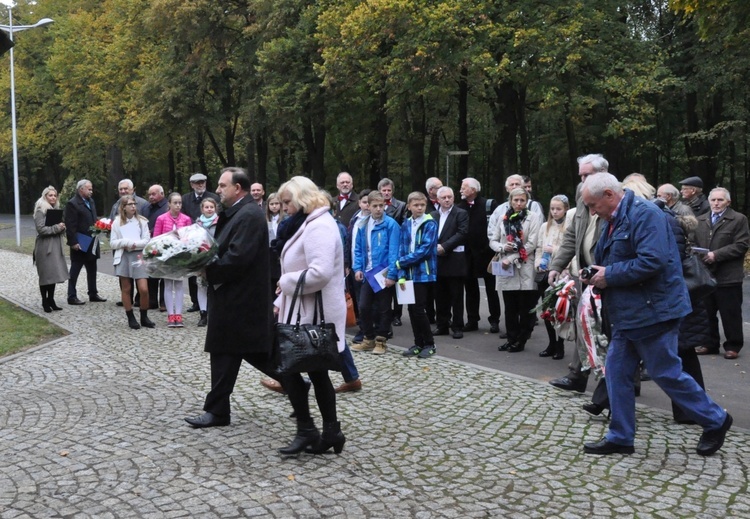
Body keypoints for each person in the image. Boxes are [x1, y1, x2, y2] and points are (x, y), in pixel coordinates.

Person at [580, 172, 732, 456]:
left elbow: (653, 261)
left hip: (654, 311)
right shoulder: (613, 219)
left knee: (666, 373)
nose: (591, 211)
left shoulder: (645, 214)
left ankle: (716, 420)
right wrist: (595, 273)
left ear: (609, 196)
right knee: (616, 373)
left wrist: (608, 275)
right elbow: (610, 259)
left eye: (593, 204)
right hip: (629, 312)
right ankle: (621, 436)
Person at [185, 167, 277, 429]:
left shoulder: (249, 215)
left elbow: (238, 258)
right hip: (230, 298)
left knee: (256, 354)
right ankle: (217, 411)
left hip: (241, 301)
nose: (218, 190)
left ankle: (296, 386)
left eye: (223, 186)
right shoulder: (238, 213)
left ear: (238, 188)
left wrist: (206, 268)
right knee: (225, 352)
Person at [273, 176, 347, 456]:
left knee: (293, 368)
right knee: (314, 372)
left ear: (303, 198)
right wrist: (282, 297)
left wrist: (286, 282)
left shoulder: (319, 226)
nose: (284, 207)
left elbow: (320, 272)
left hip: (312, 312)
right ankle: (328, 431)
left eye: (288, 201)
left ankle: (311, 430)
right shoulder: (309, 223)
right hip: (303, 308)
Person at [546, 154, 608, 393]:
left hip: (606, 275)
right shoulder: (582, 196)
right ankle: (576, 376)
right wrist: (557, 265)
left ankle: (623, 382)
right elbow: (572, 235)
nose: (582, 180)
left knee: (608, 331)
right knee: (583, 324)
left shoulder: (614, 197)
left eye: (587, 175)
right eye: (580, 175)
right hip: (584, 275)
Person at [693, 187, 750, 359]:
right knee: (706, 311)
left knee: (730, 313)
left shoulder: (738, 219)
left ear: (728, 202)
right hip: (705, 274)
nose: (716, 203)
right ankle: (709, 343)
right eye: (713, 200)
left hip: (728, 276)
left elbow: (741, 245)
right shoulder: (700, 220)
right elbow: (692, 242)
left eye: (720, 200)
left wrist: (716, 255)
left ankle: (733, 345)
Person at [489, 187, 542, 352]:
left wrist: (511, 257)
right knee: (509, 306)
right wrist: (503, 247)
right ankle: (511, 337)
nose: (519, 203)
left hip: (523, 264)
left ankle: (521, 339)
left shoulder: (533, 218)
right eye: (516, 200)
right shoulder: (504, 218)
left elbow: (531, 244)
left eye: (522, 200)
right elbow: (493, 239)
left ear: (526, 202)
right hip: (506, 266)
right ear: (510, 201)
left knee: (524, 307)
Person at [350, 191, 400, 355]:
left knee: (384, 308)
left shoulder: (391, 224)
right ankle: (368, 338)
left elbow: (394, 251)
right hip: (368, 272)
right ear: (368, 206)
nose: (379, 209)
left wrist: (392, 274)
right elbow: (358, 249)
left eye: (381, 206)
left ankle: (381, 339)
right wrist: (358, 268)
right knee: (364, 306)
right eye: (375, 206)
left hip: (383, 272)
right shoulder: (363, 224)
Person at [397, 192, 439, 358]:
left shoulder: (430, 223)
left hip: (423, 274)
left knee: (420, 309)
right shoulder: (406, 224)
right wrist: (401, 271)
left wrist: (403, 262)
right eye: (416, 205)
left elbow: (425, 250)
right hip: (407, 274)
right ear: (409, 206)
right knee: (411, 309)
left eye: (422, 205)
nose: (419, 208)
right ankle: (418, 342)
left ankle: (430, 343)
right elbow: (402, 247)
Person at [458, 177, 501, 333]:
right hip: (467, 255)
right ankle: (472, 319)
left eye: (464, 187)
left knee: (491, 288)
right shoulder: (459, 207)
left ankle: (494, 319)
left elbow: (496, 227)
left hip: (487, 254)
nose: (460, 190)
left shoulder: (488, 205)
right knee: (470, 288)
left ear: (473, 190)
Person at [109, 195, 155, 330]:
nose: (133, 206)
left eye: (134, 204)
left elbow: (147, 240)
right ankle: (130, 317)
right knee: (126, 288)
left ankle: (144, 315)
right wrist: (126, 242)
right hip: (124, 256)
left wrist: (135, 244)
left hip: (138, 255)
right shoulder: (117, 223)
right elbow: (113, 243)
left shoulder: (142, 222)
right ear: (123, 207)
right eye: (130, 204)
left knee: (143, 289)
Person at [535, 194, 572, 359]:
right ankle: (551, 343)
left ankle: (560, 345)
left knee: (559, 309)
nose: (555, 212)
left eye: (559, 209)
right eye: (552, 209)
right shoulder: (545, 226)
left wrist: (554, 251)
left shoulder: (569, 226)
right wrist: (538, 263)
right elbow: (538, 248)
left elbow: (570, 250)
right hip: (545, 272)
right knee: (547, 309)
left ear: (565, 210)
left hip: (562, 273)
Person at [430, 186, 469, 339]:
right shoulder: (432, 215)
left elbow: (462, 233)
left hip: (454, 260)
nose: (447, 200)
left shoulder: (461, 213)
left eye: (449, 197)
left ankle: (457, 326)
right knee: (439, 295)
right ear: (438, 200)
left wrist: (444, 247)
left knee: (456, 295)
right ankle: (442, 325)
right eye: (444, 197)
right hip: (437, 261)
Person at [182, 172, 220, 314]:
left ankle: (211, 306)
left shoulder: (214, 198)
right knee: (194, 277)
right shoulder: (186, 199)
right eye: (197, 182)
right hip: (194, 239)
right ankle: (196, 303)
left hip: (211, 243)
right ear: (192, 184)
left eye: (202, 182)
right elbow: (185, 218)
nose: (200, 185)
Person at [153, 192, 193, 327]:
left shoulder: (186, 219)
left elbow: (189, 239)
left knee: (179, 285)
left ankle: (179, 314)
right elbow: (156, 238)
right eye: (175, 202)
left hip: (180, 257)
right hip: (167, 256)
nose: (178, 205)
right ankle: (171, 314)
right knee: (168, 284)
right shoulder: (161, 219)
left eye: (180, 203)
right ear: (169, 204)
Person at [65, 179, 106, 305]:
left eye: (91, 189)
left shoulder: (91, 201)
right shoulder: (73, 204)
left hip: (92, 241)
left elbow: (93, 219)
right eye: (89, 189)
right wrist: (73, 242)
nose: (91, 191)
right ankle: (71, 296)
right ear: (81, 189)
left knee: (92, 268)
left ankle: (93, 293)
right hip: (80, 242)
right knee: (75, 269)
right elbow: (70, 225)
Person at [32, 186, 68, 312]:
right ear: (45, 196)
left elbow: (58, 226)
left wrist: (63, 227)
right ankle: (44, 300)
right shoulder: (40, 210)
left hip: (55, 245)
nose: (53, 197)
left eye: (54, 195)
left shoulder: (55, 210)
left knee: (53, 274)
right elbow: (41, 229)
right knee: (45, 275)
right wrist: (57, 228)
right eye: (50, 195)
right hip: (44, 246)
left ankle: (51, 299)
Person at [379, 177, 407, 328]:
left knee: (397, 281)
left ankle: (397, 314)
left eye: (389, 190)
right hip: (382, 247)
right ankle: (386, 313)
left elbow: (403, 224)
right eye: (384, 190)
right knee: (384, 282)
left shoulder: (401, 206)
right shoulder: (377, 206)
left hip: (397, 244)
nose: (386, 193)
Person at [143, 185, 168, 311]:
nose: (151, 197)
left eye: (154, 194)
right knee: (151, 273)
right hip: (150, 244)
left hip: (164, 243)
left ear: (161, 194)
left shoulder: (166, 207)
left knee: (163, 274)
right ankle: (152, 300)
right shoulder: (146, 207)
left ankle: (163, 302)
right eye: (149, 194)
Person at [195, 197, 219, 327]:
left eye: (211, 207)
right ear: (202, 209)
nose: (209, 209)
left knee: (216, 286)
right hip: (202, 259)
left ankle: (216, 313)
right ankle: (203, 314)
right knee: (202, 286)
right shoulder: (197, 224)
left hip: (216, 259)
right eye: (206, 207)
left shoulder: (220, 222)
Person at [266, 192, 285, 295]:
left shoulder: (284, 219)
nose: (274, 206)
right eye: (271, 204)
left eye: (276, 204)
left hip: (279, 252)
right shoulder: (266, 219)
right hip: (269, 253)